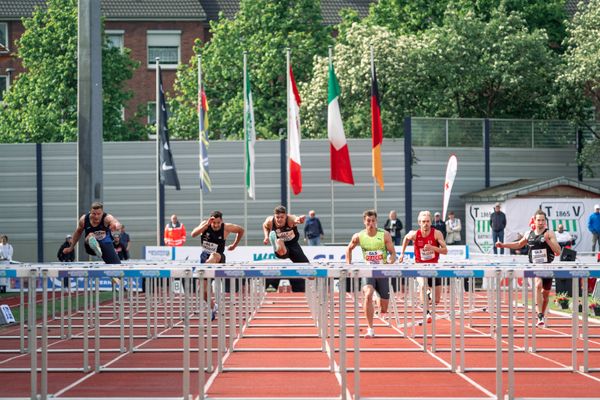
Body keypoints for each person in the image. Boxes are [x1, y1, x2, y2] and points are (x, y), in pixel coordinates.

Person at [496, 209, 561, 327]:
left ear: (545, 221)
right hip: (535, 266)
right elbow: (518, 244)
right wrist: (503, 245)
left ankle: (541, 314)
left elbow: (558, 251)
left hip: (547, 266)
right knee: (537, 285)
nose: (540, 222)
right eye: (538, 220)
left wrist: (547, 240)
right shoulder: (528, 234)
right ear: (534, 221)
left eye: (542, 220)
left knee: (546, 294)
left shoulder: (550, 233)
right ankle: (540, 316)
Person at [346, 209, 396, 338]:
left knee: (384, 309)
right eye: (368, 221)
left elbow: (392, 252)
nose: (371, 223)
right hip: (368, 271)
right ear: (364, 222)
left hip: (382, 272)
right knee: (367, 295)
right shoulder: (359, 236)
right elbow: (349, 249)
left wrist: (391, 260)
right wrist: (348, 265)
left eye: (373, 221)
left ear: (376, 221)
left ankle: (379, 299)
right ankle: (370, 329)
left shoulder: (384, 234)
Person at [192, 211, 245, 319]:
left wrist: (234, 245)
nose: (216, 225)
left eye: (218, 223)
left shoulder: (226, 228)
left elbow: (241, 230)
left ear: (222, 221)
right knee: (201, 291)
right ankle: (213, 306)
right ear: (210, 220)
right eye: (214, 223)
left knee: (213, 255)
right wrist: (206, 225)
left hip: (218, 257)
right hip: (204, 257)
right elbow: (193, 234)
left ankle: (206, 272)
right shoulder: (205, 225)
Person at [399, 210, 448, 324]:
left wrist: (433, 248)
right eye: (423, 222)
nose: (425, 224)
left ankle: (429, 296)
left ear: (431, 222)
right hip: (419, 266)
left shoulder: (437, 234)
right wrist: (402, 253)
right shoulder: (415, 234)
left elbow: (445, 250)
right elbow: (406, 238)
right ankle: (427, 313)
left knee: (436, 300)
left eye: (427, 221)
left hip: (434, 267)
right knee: (422, 286)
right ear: (419, 223)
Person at [262, 205, 309, 292]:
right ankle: (277, 244)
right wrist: (266, 237)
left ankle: (278, 243)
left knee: (310, 274)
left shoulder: (290, 219)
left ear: (286, 216)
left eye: (282, 217)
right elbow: (265, 226)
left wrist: (299, 220)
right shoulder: (270, 221)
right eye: (277, 217)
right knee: (281, 248)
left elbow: (296, 219)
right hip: (282, 248)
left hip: (293, 245)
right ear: (274, 216)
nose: (279, 219)